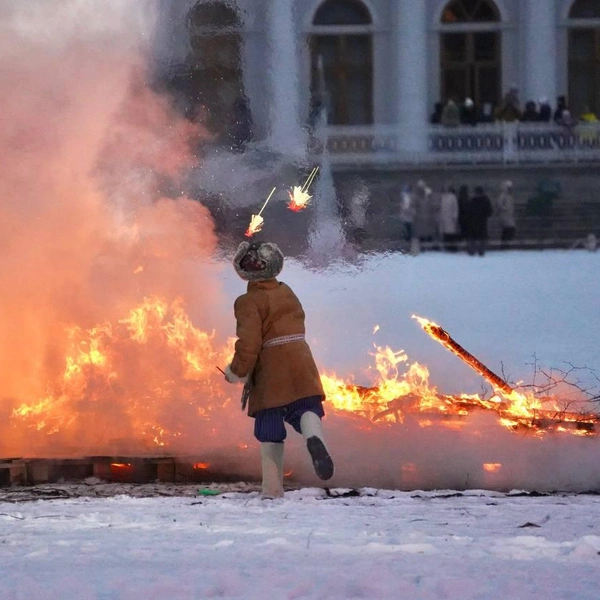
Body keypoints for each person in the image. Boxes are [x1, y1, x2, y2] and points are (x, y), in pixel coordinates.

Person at [223, 241, 334, 499]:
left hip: (272, 369)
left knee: (270, 427)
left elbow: (249, 344)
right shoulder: (287, 291)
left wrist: (236, 370)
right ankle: (314, 438)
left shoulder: (248, 301)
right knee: (305, 408)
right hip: (302, 360)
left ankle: (272, 490)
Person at [464, 186, 493, 256]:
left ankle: (475, 251)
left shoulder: (473, 201)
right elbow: (490, 212)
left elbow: (489, 212)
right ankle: (477, 251)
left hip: (476, 223)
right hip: (479, 222)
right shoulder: (485, 200)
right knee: (479, 238)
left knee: (475, 238)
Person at [438, 185, 459, 251]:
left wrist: (455, 217)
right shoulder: (442, 197)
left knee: (451, 233)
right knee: (445, 234)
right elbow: (440, 207)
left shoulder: (452, 197)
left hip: (451, 219)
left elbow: (455, 208)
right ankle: (446, 247)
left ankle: (452, 248)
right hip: (443, 218)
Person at [496, 180, 516, 248]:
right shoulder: (503, 195)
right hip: (505, 216)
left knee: (507, 230)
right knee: (509, 229)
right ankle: (505, 245)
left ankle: (505, 245)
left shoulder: (509, 196)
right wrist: (505, 209)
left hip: (509, 215)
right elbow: (499, 204)